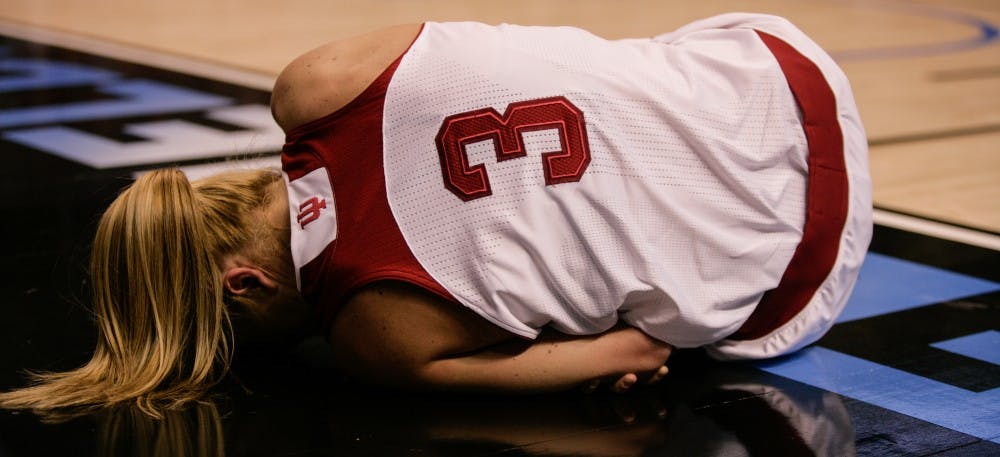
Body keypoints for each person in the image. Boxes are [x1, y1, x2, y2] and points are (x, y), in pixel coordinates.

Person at [0, 13, 871, 417]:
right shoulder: (312, 85)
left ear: (246, 281)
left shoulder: (375, 336)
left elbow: (638, 351)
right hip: (771, 65)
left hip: (807, 255)